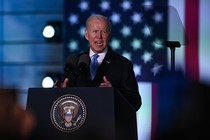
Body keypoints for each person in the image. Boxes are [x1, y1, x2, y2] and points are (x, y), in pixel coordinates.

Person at [55, 14, 141, 111]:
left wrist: (114, 93)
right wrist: (61, 93)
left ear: (109, 35)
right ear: (87, 35)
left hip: (109, 123)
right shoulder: (76, 61)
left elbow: (135, 102)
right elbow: (68, 101)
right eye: (95, 31)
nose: (99, 36)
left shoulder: (123, 64)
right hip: (81, 123)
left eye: (104, 32)